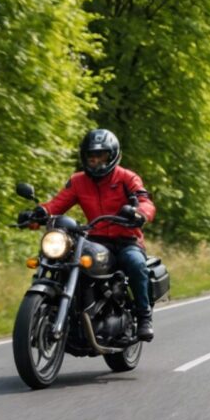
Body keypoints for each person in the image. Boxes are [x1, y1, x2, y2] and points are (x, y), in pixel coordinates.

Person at [21, 129, 159, 342]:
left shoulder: (126, 178)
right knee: (63, 261)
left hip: (126, 240)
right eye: (91, 156)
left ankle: (143, 316)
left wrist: (140, 214)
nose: (95, 161)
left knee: (135, 263)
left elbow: (145, 201)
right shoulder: (78, 181)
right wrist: (39, 213)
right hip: (94, 240)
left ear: (112, 155)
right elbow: (57, 204)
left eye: (101, 156)